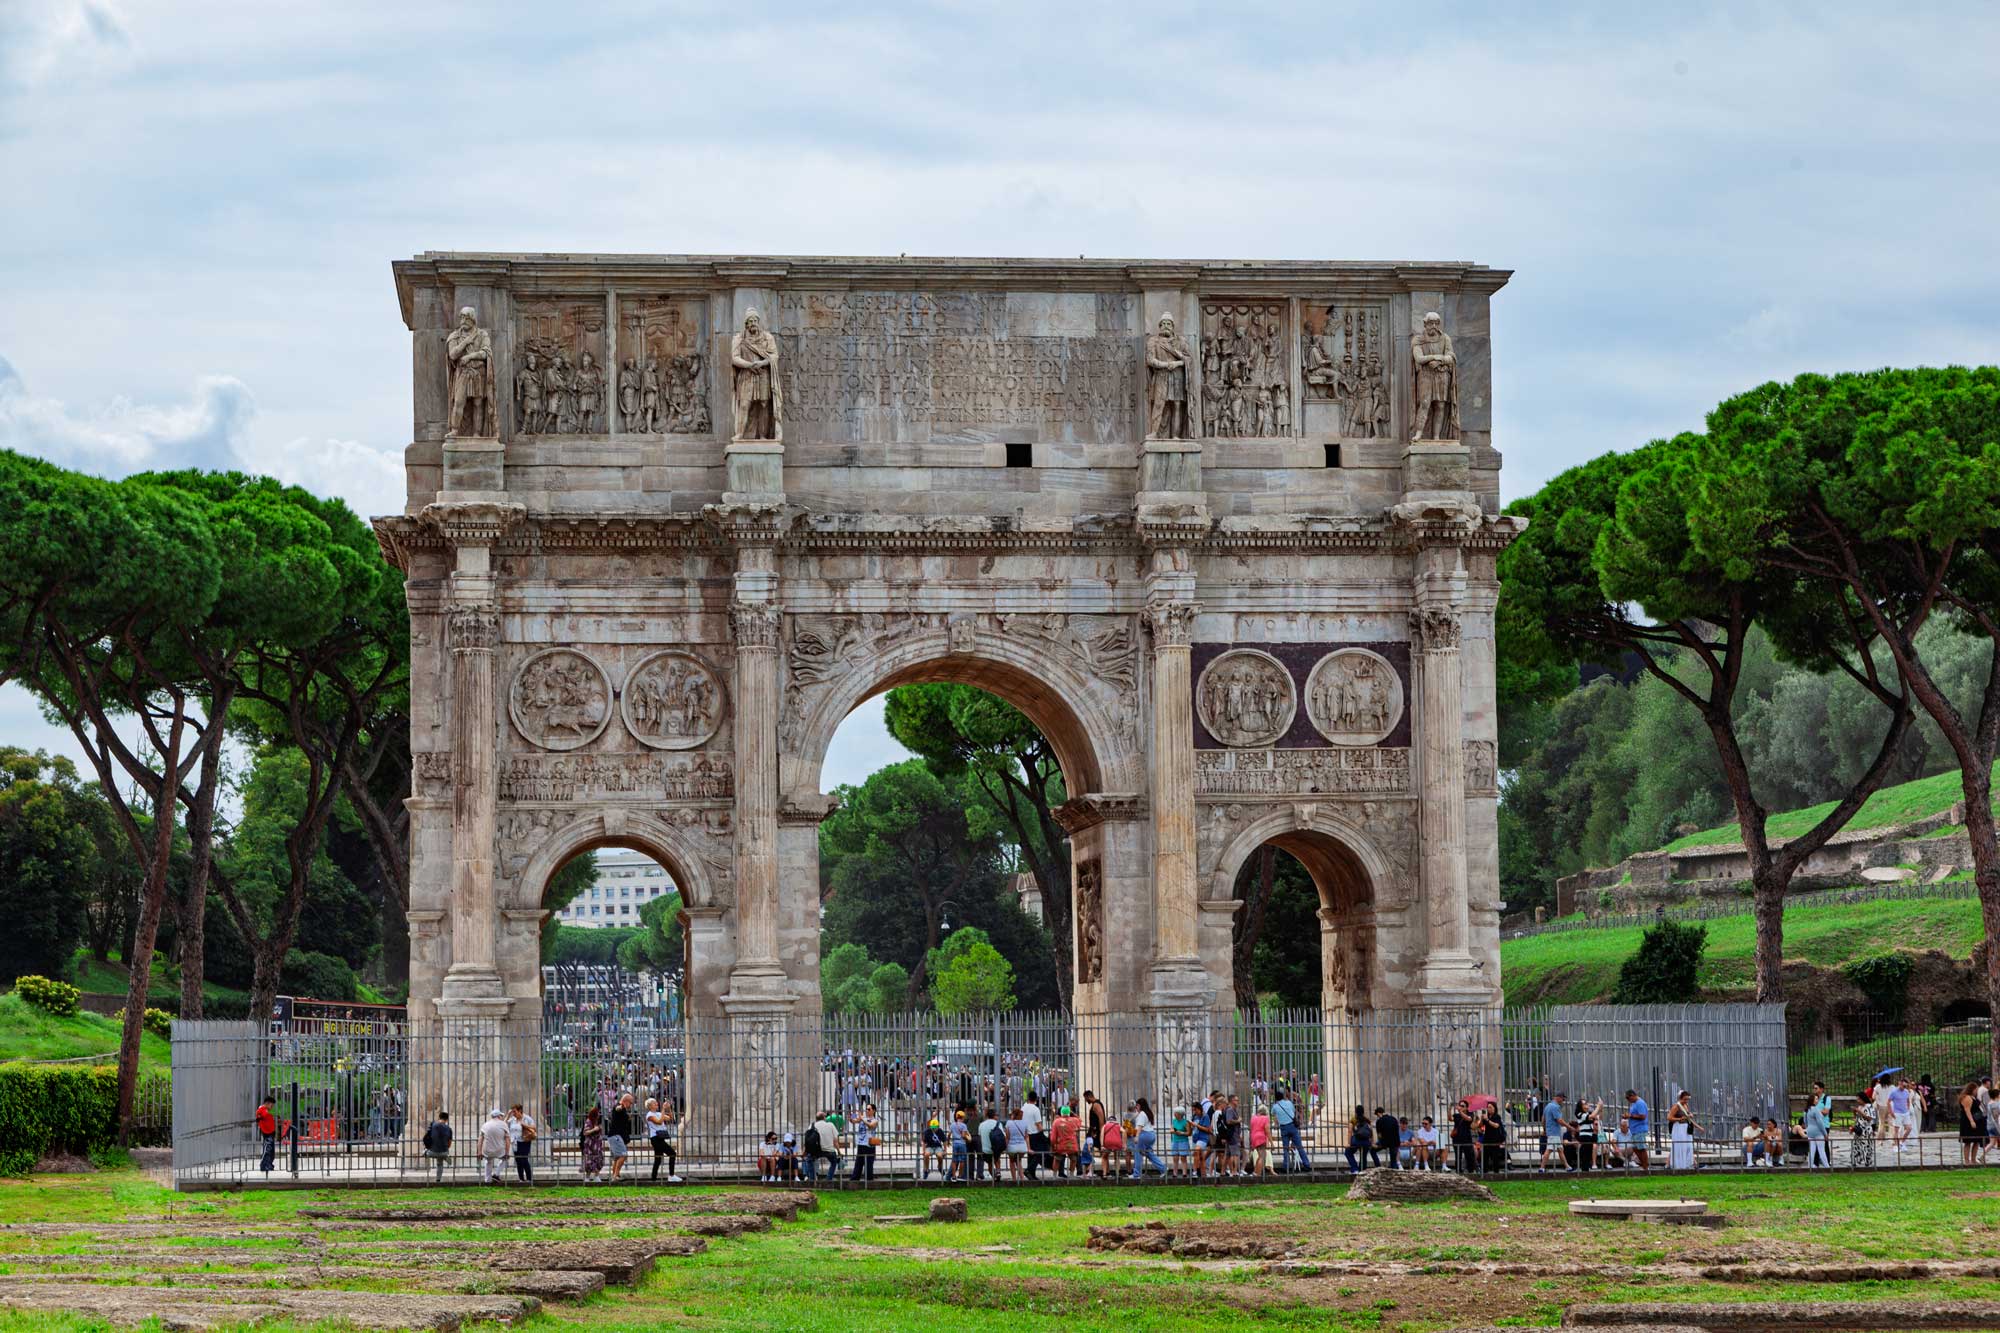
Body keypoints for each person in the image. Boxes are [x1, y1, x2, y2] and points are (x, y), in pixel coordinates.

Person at [1273, 1087, 1310, 1173]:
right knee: (1299, 1146)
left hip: (1283, 1128)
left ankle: (1286, 1166)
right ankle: (1307, 1165)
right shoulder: (1289, 1103)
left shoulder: (1275, 1106)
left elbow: (1273, 1113)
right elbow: (1293, 1111)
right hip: (1292, 1126)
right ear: (1283, 1096)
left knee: (1285, 1148)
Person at [1130, 1098, 1166, 1178]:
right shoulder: (1146, 1113)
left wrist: (1136, 1137)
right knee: (1149, 1153)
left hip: (1143, 1135)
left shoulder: (1142, 1114)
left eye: (1136, 1107)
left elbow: (1140, 1127)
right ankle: (1163, 1169)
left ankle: (1136, 1174)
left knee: (1138, 1154)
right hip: (1151, 1135)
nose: (1136, 1109)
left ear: (1139, 1105)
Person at [806, 1109, 842, 1182]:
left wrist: (805, 1151)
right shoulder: (830, 1125)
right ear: (824, 1118)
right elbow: (835, 1141)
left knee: (809, 1160)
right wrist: (839, 1151)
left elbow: (808, 1140)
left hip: (816, 1151)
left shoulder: (812, 1125)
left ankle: (812, 1179)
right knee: (834, 1162)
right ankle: (829, 1179)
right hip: (829, 1151)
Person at [1667, 1091, 1699, 1171]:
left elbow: (1688, 1115)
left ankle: (1687, 1163)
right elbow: (1669, 1117)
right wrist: (1679, 1119)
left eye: (1687, 1099)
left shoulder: (1685, 1105)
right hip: (1679, 1127)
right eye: (1685, 1099)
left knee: (1687, 1146)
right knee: (1679, 1146)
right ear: (1681, 1098)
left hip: (1686, 1127)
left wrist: (1690, 1115)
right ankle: (1678, 1165)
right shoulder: (1676, 1106)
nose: (1686, 1101)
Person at [607, 1094, 635, 1182]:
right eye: (630, 1103)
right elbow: (617, 1108)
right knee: (623, 1155)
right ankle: (615, 1176)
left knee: (617, 1157)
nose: (631, 1105)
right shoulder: (619, 1107)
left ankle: (615, 1175)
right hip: (615, 1136)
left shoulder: (623, 1109)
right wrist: (621, 1107)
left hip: (615, 1135)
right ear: (626, 1101)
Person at [479, 1108, 510, 1185]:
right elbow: (507, 1139)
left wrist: (479, 1151)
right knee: (504, 1159)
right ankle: (496, 1174)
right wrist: (507, 1152)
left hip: (487, 1150)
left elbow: (480, 1140)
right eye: (501, 1116)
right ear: (499, 1116)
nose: (502, 1117)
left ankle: (487, 1180)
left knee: (488, 1162)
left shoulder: (485, 1125)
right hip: (499, 1150)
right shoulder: (503, 1124)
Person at [1622, 1090, 1651, 1173]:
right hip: (1635, 1129)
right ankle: (1643, 1164)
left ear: (1632, 1095)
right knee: (1635, 1148)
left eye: (1628, 1098)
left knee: (1641, 1148)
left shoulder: (1640, 1103)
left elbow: (1642, 1116)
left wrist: (1630, 1116)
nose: (1628, 1100)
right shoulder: (1634, 1104)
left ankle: (1645, 1166)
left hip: (1640, 1129)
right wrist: (1628, 1116)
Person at [421, 1109, 452, 1182]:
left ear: (439, 1117)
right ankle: (438, 1179)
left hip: (432, 1152)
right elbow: (449, 1143)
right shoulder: (449, 1129)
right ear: (447, 1119)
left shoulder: (434, 1125)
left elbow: (427, 1137)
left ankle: (426, 1152)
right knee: (440, 1163)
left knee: (425, 1153)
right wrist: (445, 1148)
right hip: (444, 1151)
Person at [1540, 1093, 1570, 1172]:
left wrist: (1545, 1129)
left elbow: (1543, 1119)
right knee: (1549, 1150)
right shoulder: (1555, 1107)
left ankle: (1567, 1166)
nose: (1563, 1101)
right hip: (1554, 1132)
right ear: (1558, 1098)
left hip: (1550, 1131)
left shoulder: (1548, 1106)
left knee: (1559, 1150)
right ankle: (1542, 1168)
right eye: (1563, 1099)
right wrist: (1569, 1127)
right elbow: (1559, 1120)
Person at [1020, 1092, 1047, 1180]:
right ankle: (1029, 1170)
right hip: (1035, 1134)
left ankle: (1031, 1174)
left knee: (1030, 1154)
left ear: (1028, 1098)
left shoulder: (1023, 1108)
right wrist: (1042, 1132)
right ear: (1036, 1099)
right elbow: (1038, 1124)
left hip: (1025, 1134)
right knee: (1039, 1153)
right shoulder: (1036, 1109)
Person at [509, 1101, 537, 1184]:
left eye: (514, 1111)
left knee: (524, 1159)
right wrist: (508, 1114)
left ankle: (529, 1178)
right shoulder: (513, 1119)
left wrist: (525, 1125)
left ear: (520, 1110)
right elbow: (504, 1123)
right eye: (512, 1111)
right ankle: (521, 1178)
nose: (513, 1113)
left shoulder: (527, 1118)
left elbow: (534, 1128)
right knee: (518, 1161)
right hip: (515, 1142)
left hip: (524, 1141)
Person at [1051, 1104, 1081, 1179]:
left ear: (1061, 1113)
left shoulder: (1056, 1122)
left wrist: (1053, 1146)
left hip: (1060, 1145)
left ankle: (1054, 1175)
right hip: (1072, 1145)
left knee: (1057, 1159)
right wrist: (1072, 1113)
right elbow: (1080, 1120)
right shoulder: (1074, 1120)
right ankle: (1071, 1174)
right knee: (1074, 1159)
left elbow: (1053, 1137)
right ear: (1069, 1113)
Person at [852, 1103, 879, 1183]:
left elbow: (871, 1126)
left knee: (869, 1162)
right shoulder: (863, 1118)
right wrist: (851, 1117)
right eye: (866, 1109)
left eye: (869, 1109)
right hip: (861, 1143)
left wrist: (863, 1119)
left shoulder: (875, 1120)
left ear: (873, 1111)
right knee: (859, 1162)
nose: (867, 1111)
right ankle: (855, 1178)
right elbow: (854, 1121)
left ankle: (869, 1179)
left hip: (869, 1144)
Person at [1960, 1081, 1986, 1166]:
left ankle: (1973, 1159)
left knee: (1976, 1141)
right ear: (1972, 1089)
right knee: (1968, 1141)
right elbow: (1967, 1110)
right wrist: (1971, 1121)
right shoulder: (1966, 1097)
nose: (1976, 1091)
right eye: (1976, 1090)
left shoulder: (1974, 1097)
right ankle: (1967, 1160)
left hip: (1978, 1121)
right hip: (1969, 1122)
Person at [579, 1105, 606, 1183]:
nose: (599, 1115)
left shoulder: (597, 1121)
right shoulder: (589, 1121)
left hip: (597, 1145)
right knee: (589, 1161)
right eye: (597, 1113)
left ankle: (596, 1176)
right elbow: (585, 1132)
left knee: (598, 1160)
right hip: (590, 1145)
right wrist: (594, 1129)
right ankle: (587, 1177)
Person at [1345, 1106, 1375, 1173]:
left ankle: (1355, 1169)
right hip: (1366, 1142)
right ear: (1363, 1112)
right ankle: (1362, 1171)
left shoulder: (1353, 1120)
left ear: (1356, 1112)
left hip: (1356, 1141)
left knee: (1348, 1152)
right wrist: (1372, 1142)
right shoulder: (1367, 1120)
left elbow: (1350, 1131)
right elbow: (1371, 1131)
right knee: (1363, 1156)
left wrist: (1349, 1143)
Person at [1573, 1097, 1599, 1173]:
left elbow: (1597, 1116)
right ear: (1581, 1106)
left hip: (1590, 1135)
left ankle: (1586, 1169)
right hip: (1585, 1135)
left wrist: (1600, 1107)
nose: (1587, 1104)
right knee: (1586, 1153)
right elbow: (1593, 1116)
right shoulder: (1580, 1114)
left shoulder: (1587, 1113)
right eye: (1584, 1104)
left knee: (1588, 1153)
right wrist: (1598, 1107)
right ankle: (1584, 1170)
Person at [1450, 1099, 1477, 1173]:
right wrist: (1449, 1109)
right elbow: (1450, 1118)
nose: (1460, 1107)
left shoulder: (1470, 1114)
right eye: (1460, 1105)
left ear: (1466, 1108)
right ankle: (1458, 1170)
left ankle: (1471, 1170)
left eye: (1462, 1106)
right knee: (1458, 1156)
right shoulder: (1457, 1115)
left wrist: (1460, 1112)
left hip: (1466, 1138)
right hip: (1457, 1138)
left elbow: (1468, 1119)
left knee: (1469, 1154)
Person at [1851, 1096, 1877, 1169]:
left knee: (1866, 1145)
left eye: (1859, 1099)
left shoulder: (1869, 1107)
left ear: (1863, 1099)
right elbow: (1856, 1118)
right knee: (1856, 1145)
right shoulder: (1859, 1107)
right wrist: (1854, 1112)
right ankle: (1856, 1160)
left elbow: (1869, 1118)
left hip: (1866, 1130)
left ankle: (1867, 1161)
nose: (1857, 1100)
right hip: (1858, 1129)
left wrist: (1860, 1112)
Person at [255, 1092, 279, 1174]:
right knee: (267, 1150)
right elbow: (262, 1115)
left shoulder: (264, 1110)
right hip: (267, 1133)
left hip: (270, 1133)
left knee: (271, 1150)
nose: (272, 1107)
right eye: (271, 1105)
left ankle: (269, 1164)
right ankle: (264, 1165)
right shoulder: (262, 1110)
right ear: (267, 1103)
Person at [1804, 1097, 1831, 1168]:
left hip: (1810, 1131)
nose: (1817, 1100)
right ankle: (1827, 1166)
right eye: (1816, 1099)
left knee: (1812, 1150)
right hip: (1818, 1132)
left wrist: (1808, 1129)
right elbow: (1820, 1123)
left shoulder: (1806, 1110)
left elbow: (1805, 1121)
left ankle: (1810, 1166)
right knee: (1821, 1150)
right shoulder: (1816, 1109)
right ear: (1812, 1101)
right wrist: (1825, 1134)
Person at [1249, 1103, 1272, 1177]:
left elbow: (1251, 1128)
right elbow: (1267, 1131)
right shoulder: (1266, 1118)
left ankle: (1255, 1171)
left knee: (1260, 1156)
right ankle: (1258, 1174)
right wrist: (1272, 1142)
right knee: (1262, 1156)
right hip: (1261, 1137)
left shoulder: (1253, 1118)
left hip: (1254, 1137)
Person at [1170, 1106, 1193, 1179]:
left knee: (1183, 1158)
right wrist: (1174, 1131)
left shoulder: (1186, 1122)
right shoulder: (1174, 1121)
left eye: (1176, 1113)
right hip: (1175, 1141)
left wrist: (1181, 1133)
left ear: (1180, 1114)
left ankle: (1184, 1173)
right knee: (1175, 1157)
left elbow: (1189, 1133)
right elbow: (1171, 1129)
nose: (1174, 1114)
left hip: (1183, 1141)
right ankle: (1175, 1173)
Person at [949, 1109, 971, 1181]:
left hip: (955, 1143)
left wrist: (949, 1141)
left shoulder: (952, 1125)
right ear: (963, 1117)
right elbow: (963, 1135)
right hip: (962, 1143)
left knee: (954, 1160)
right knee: (962, 1160)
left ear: (956, 1116)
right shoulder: (964, 1125)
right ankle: (960, 1175)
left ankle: (953, 1176)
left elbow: (949, 1134)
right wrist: (968, 1139)